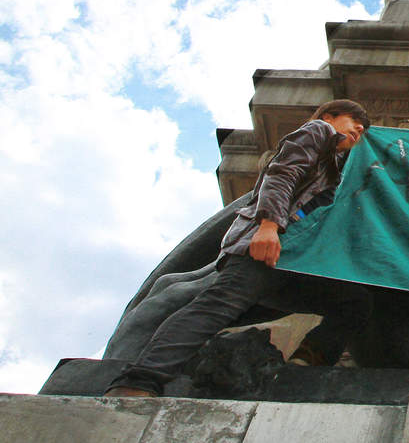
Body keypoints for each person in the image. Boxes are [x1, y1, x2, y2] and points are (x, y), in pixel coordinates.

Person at [105, 100, 375, 397]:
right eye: (354, 121)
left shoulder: (335, 166)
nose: (360, 129)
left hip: (293, 261)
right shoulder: (317, 132)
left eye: (363, 129)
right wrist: (269, 226)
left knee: (355, 302)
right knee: (214, 308)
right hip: (266, 244)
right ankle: (138, 381)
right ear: (329, 117)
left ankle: (307, 361)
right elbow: (281, 175)